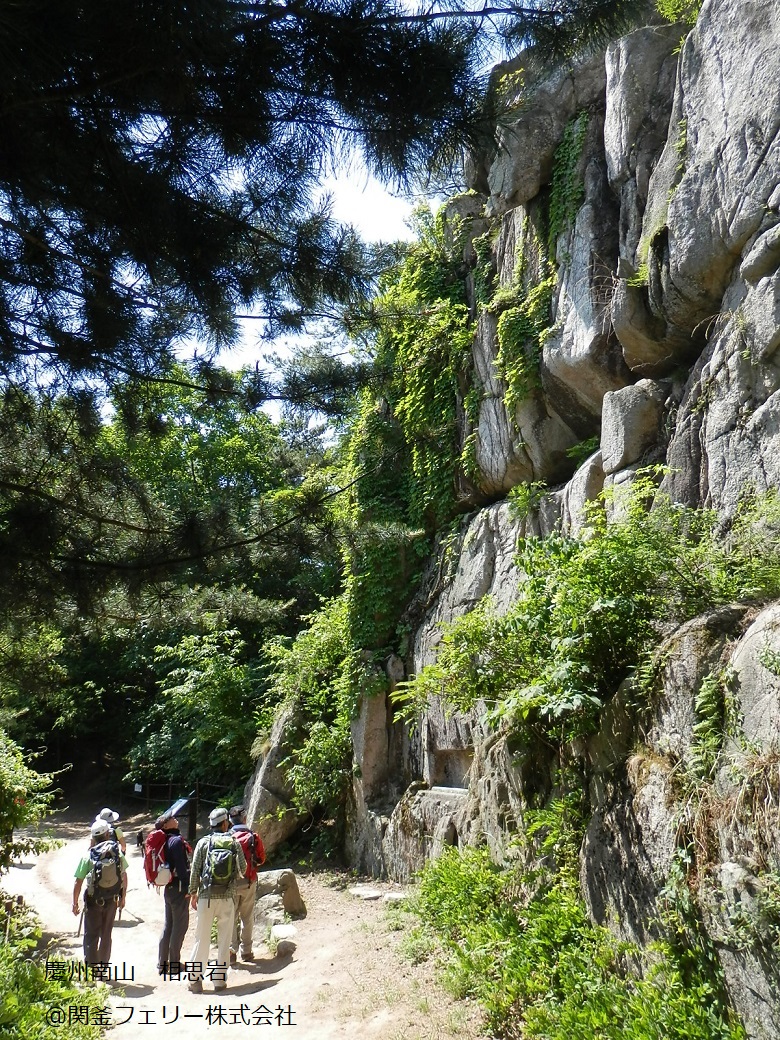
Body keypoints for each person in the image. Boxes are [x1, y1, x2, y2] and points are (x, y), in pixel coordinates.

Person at [187, 806, 246, 993]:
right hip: (227, 898)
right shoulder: (233, 842)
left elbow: (195, 869)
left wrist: (193, 892)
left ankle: (195, 981)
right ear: (225, 823)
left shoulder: (204, 843)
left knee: (201, 939)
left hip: (206, 897)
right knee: (224, 940)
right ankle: (219, 982)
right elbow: (243, 869)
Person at [72, 818, 128, 968]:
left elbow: (78, 881)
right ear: (107, 835)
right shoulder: (117, 853)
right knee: (106, 935)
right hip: (112, 900)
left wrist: (75, 902)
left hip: (93, 900)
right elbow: (124, 875)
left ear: (93, 837)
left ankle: (91, 970)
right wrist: (123, 897)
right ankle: (103, 969)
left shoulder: (88, 855)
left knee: (91, 935)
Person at [155, 810, 192, 977]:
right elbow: (181, 867)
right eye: (170, 818)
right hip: (178, 889)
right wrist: (187, 887)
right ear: (165, 825)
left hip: (169, 889)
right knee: (180, 926)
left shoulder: (166, 841)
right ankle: (175, 964)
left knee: (168, 925)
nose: (174, 818)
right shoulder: (176, 841)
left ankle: (163, 963)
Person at [228, 804, 266, 963]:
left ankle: (231, 950)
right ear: (244, 818)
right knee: (247, 917)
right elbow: (261, 859)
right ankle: (247, 951)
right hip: (248, 881)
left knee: (230, 918)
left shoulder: (225, 838)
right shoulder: (253, 837)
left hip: (229, 885)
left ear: (230, 820)